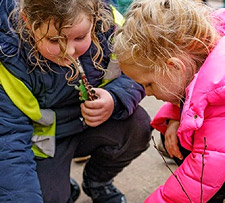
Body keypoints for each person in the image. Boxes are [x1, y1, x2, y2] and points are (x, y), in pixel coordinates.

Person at [0, 0, 152, 203]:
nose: (69, 51)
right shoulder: (10, 56)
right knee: (44, 196)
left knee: (138, 126)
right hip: (45, 142)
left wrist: (115, 97)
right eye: (54, 40)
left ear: (95, 15)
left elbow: (141, 72)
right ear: (28, 22)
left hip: (94, 125)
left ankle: (97, 182)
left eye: (80, 37)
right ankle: (58, 181)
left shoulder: (113, 25)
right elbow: (9, 139)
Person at [114, 0, 225, 202]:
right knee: (176, 140)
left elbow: (198, 179)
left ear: (174, 66)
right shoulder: (200, 58)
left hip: (217, 161)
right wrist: (175, 117)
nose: (146, 93)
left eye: (149, 84)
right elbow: (196, 92)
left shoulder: (221, 104)